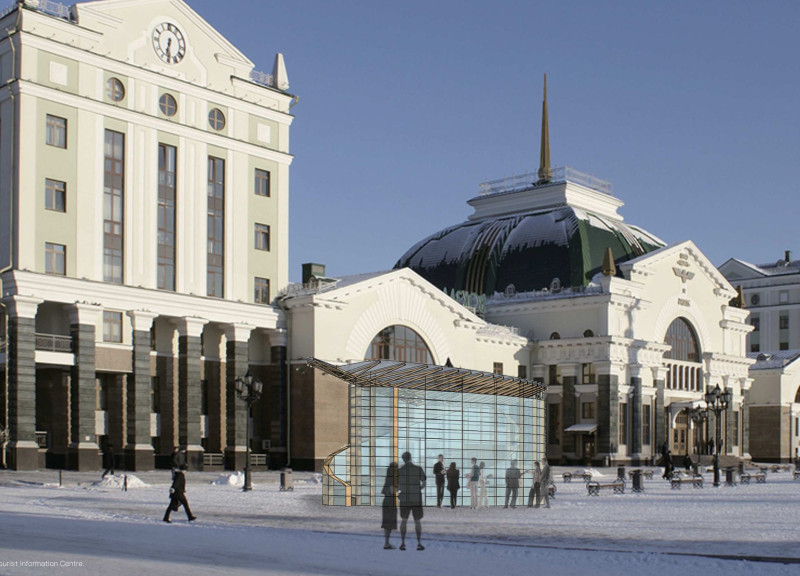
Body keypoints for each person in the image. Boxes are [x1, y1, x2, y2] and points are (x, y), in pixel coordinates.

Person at [397, 451, 425, 551]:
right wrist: (418, 489)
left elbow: (396, 487)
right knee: (417, 520)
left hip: (405, 498)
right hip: (416, 498)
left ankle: (403, 543)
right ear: (411, 458)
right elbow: (424, 483)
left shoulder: (400, 471)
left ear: (403, 459)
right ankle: (419, 543)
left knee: (404, 520)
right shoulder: (418, 469)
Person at [381, 462, 398, 549]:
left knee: (387, 525)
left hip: (387, 503)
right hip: (390, 503)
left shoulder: (388, 479)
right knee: (388, 524)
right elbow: (393, 490)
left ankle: (386, 542)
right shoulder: (392, 481)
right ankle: (386, 543)